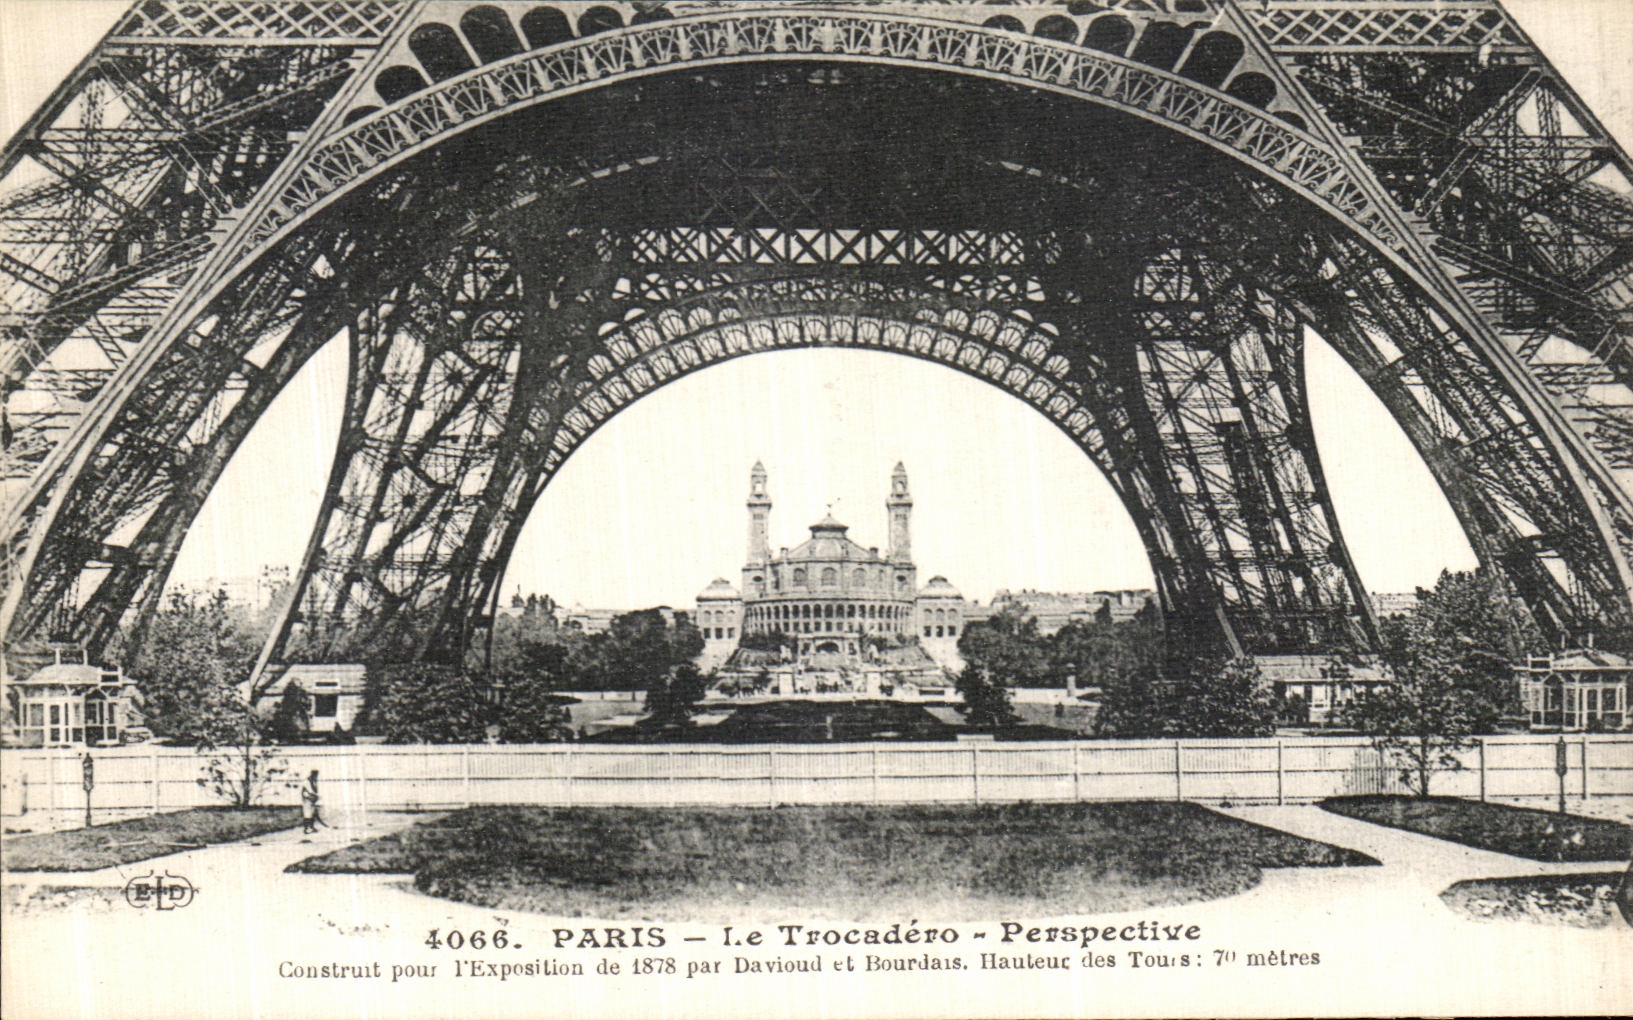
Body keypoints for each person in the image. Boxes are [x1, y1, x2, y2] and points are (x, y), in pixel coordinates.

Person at [300, 770, 323, 834]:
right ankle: (307, 829)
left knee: (312, 813)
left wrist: (316, 797)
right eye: (316, 775)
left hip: (311, 799)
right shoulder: (307, 781)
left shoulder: (314, 781)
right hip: (307, 798)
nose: (316, 776)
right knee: (307, 814)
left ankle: (312, 827)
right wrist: (316, 796)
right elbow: (309, 790)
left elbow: (315, 790)